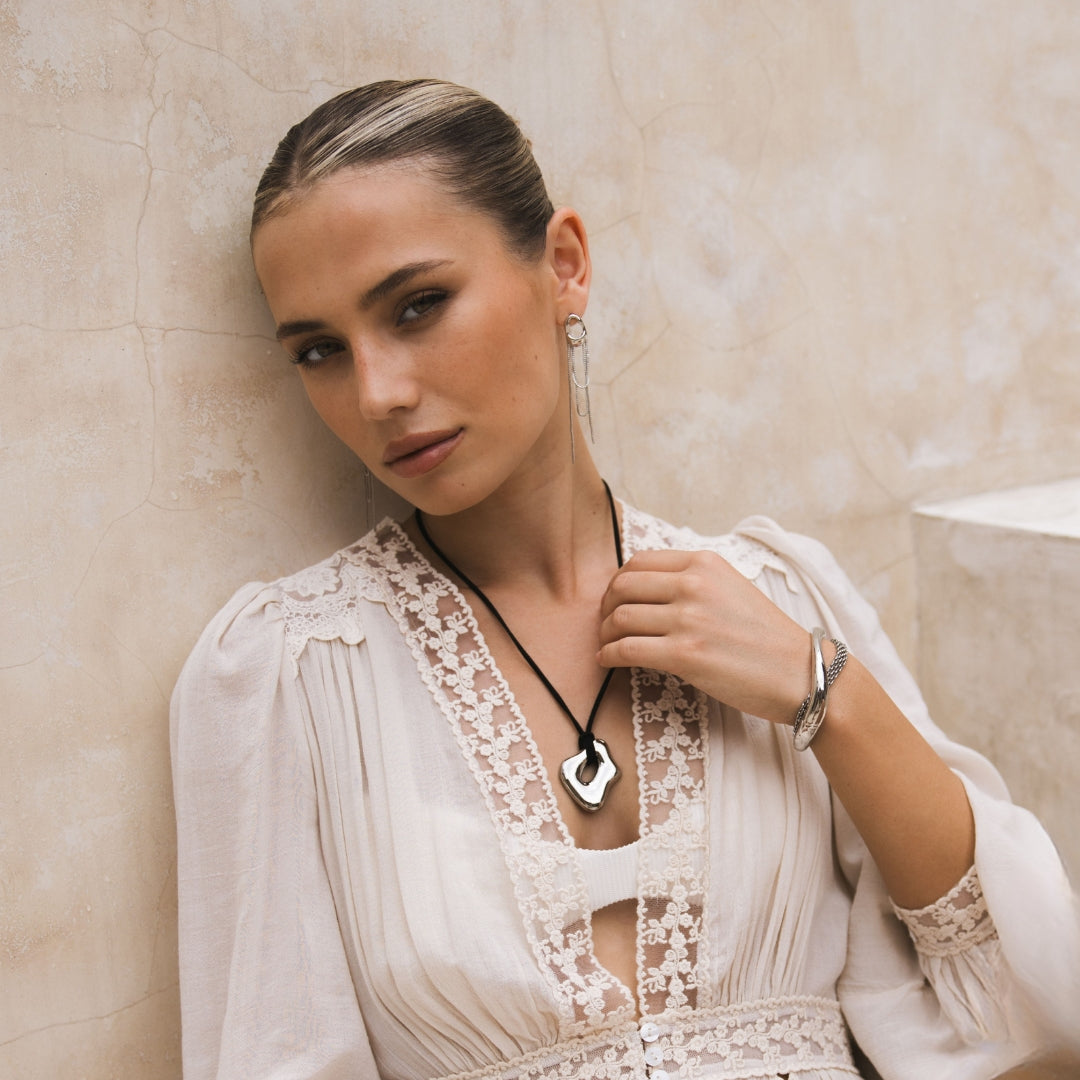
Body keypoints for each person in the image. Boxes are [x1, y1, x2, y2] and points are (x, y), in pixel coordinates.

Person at [170, 79, 1079, 1080]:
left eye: (419, 305)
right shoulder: (285, 674)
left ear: (564, 266)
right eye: (319, 350)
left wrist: (824, 691)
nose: (379, 392)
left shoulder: (776, 594)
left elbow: (1018, 1002)